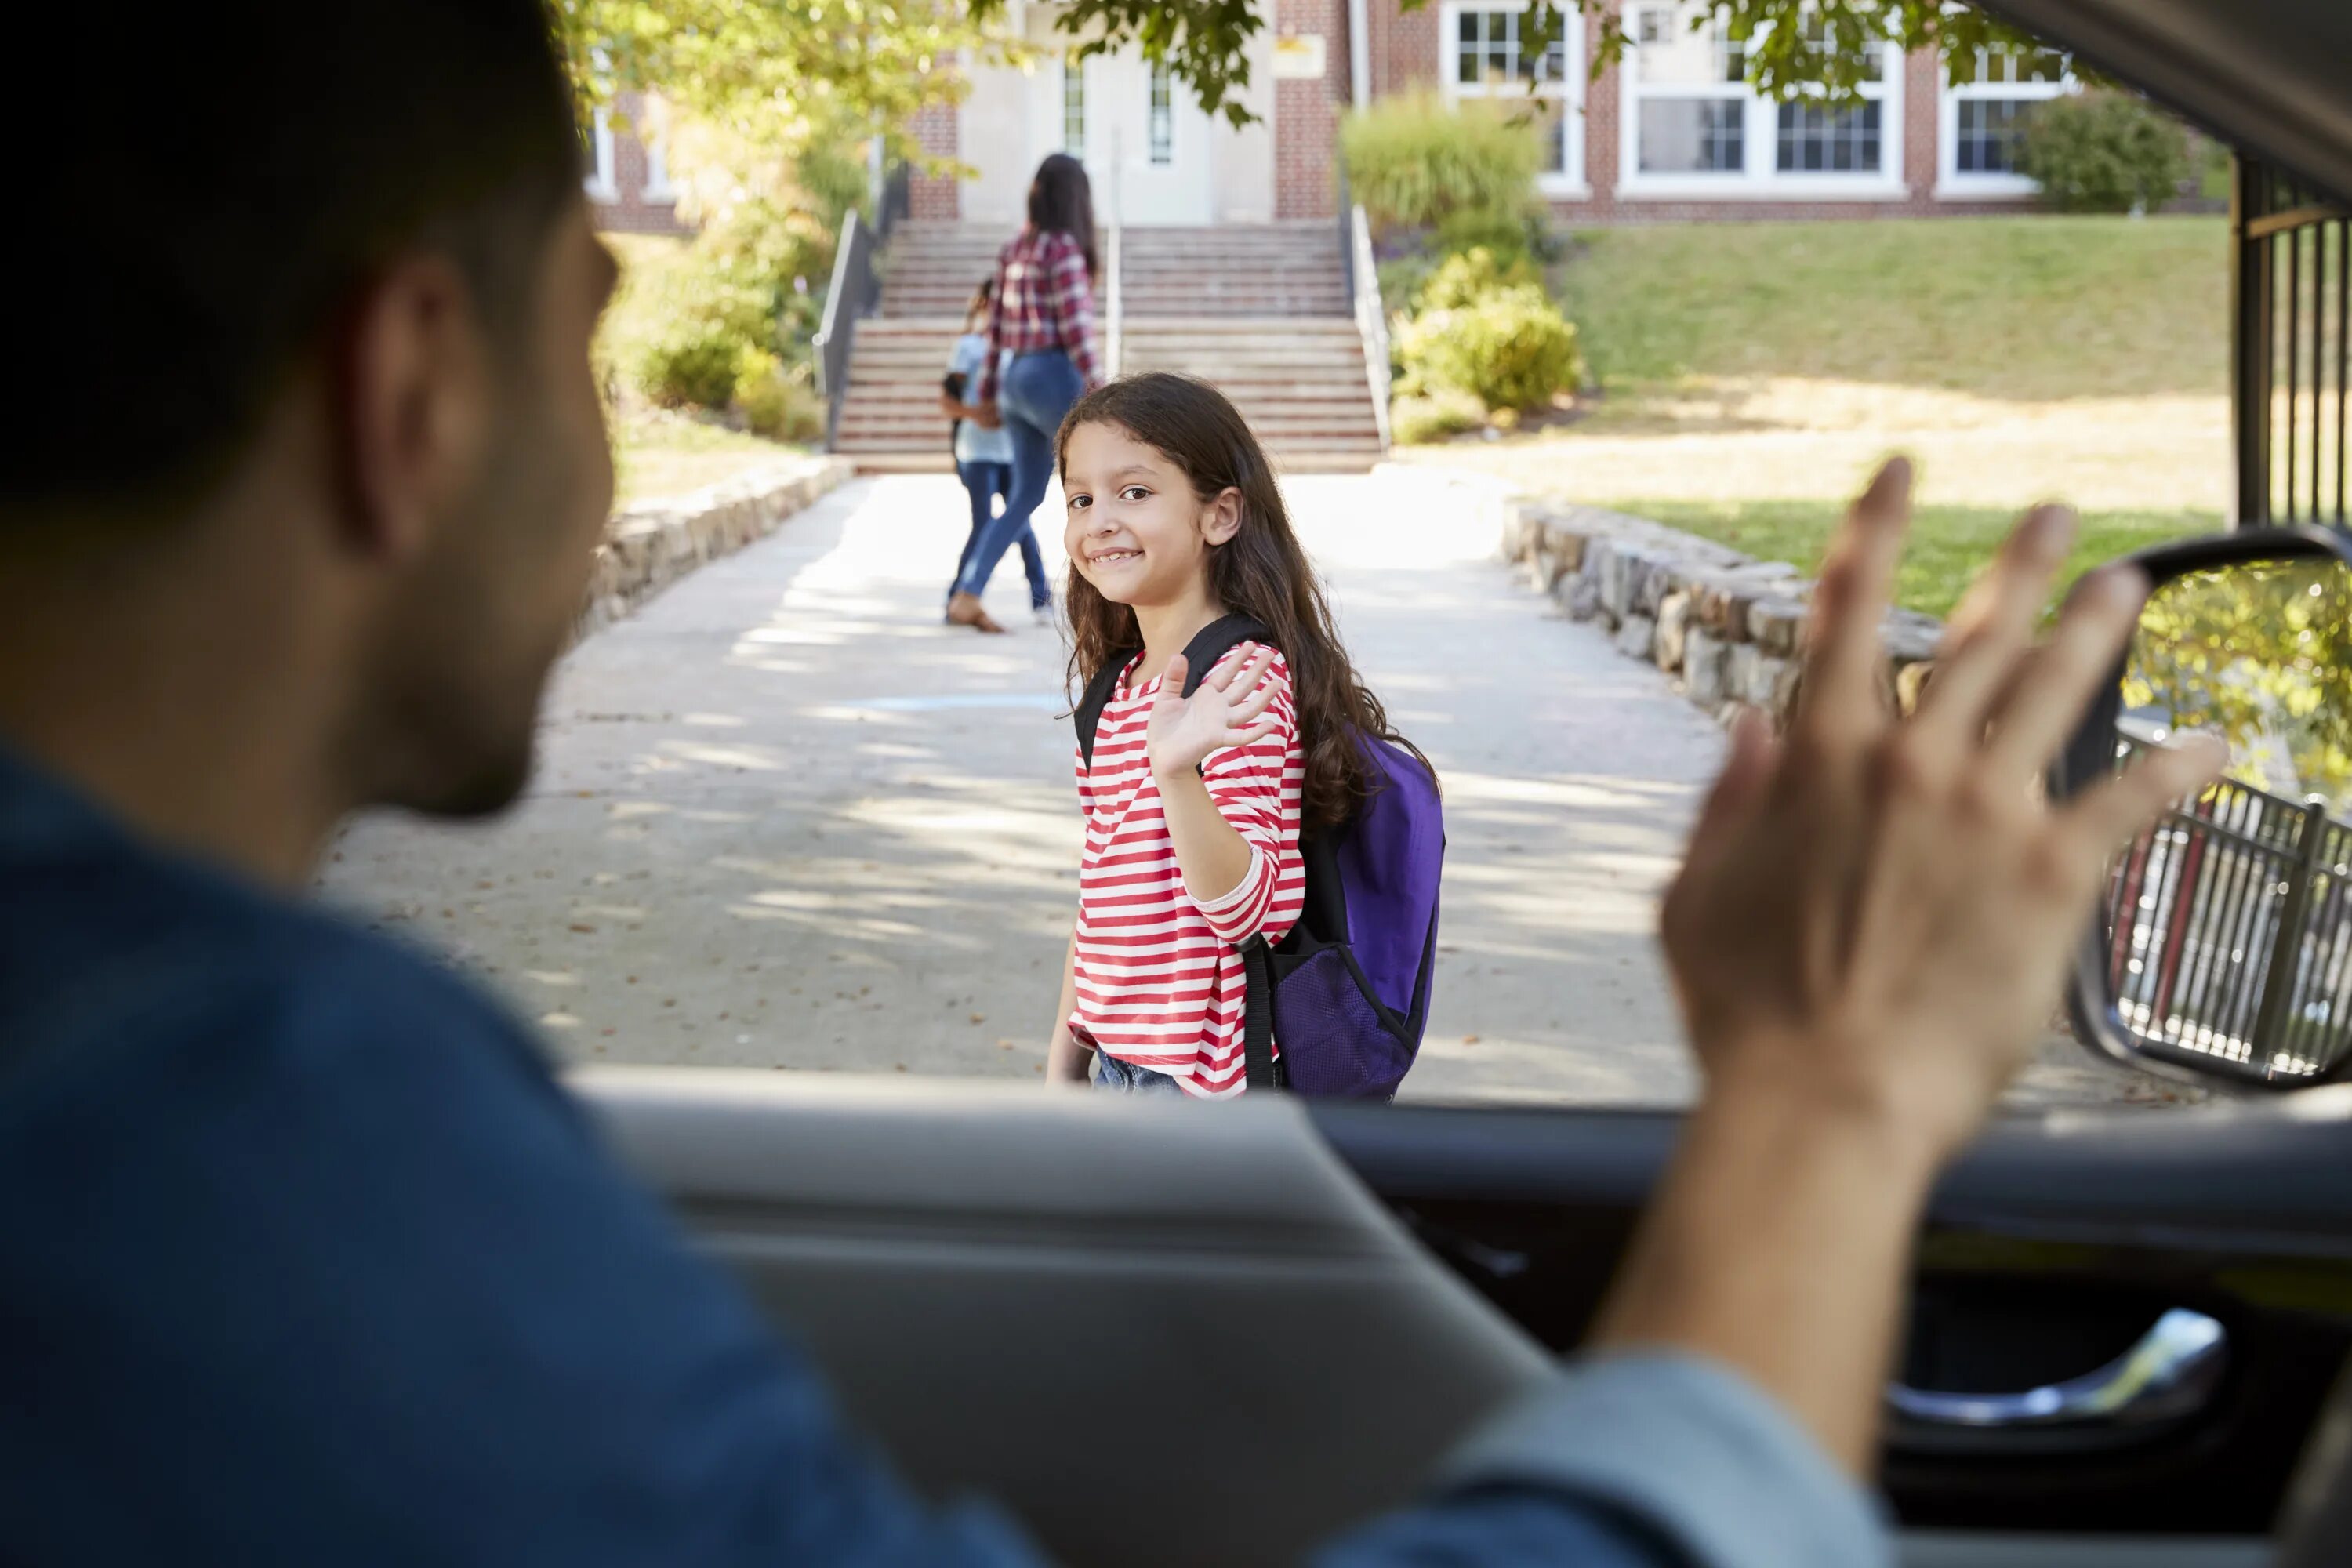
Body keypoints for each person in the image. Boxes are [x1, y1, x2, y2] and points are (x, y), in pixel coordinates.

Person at [0, 2, 2227, 1564]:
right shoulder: (264, 1134)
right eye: (590, 328)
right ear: (413, 392)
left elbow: (1239, 899)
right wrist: (1831, 1107)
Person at [1042, 374, 1427, 1098]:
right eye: (1080, 499)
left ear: (1219, 516)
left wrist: (1178, 774)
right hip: (1120, 1065)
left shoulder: (1241, 681)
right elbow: (1103, 897)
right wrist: (1066, 1059)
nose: (1099, 521)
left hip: (1200, 1088)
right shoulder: (1116, 690)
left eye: (1135, 492)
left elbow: (1252, 912)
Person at [945, 152, 1102, 636]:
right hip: (1051, 372)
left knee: (1027, 494)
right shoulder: (1063, 251)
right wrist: (1100, 391)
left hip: (1014, 379)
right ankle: (1112, 607)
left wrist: (990, 392)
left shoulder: (1015, 249)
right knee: (1102, 483)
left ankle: (968, 593)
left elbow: (994, 331)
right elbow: (1077, 329)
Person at [942, 278, 1053, 627]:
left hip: (1014, 450)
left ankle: (1041, 599)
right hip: (977, 450)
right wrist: (977, 414)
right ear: (984, 305)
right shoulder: (969, 347)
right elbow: (947, 401)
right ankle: (958, 596)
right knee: (983, 523)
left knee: (1022, 521)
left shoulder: (1022, 350)